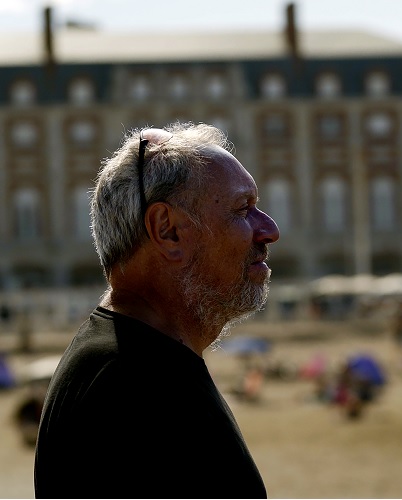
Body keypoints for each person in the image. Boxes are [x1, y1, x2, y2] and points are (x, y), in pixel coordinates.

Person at [34, 122, 280, 499]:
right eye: (242, 209)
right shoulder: (136, 387)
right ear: (167, 231)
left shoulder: (134, 362)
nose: (269, 230)